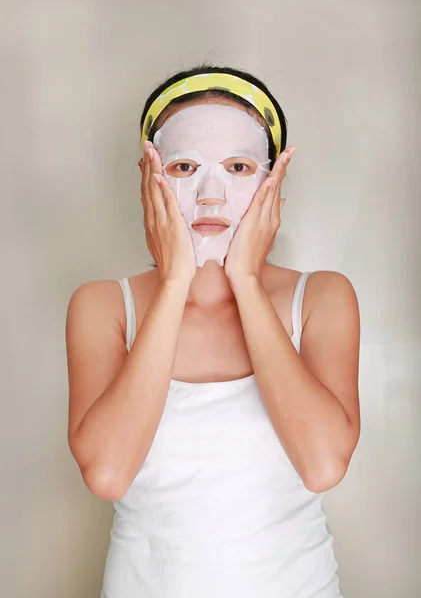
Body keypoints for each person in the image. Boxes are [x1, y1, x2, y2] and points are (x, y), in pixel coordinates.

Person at [65, 65, 361, 597]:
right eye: (183, 166)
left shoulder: (321, 298)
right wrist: (176, 277)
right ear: (148, 180)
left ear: (273, 183)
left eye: (237, 166)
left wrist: (245, 278)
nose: (209, 194)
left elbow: (321, 465)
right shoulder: (104, 305)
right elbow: (108, 473)